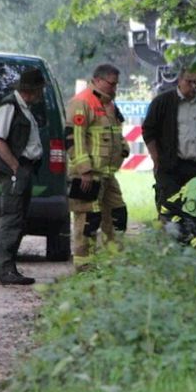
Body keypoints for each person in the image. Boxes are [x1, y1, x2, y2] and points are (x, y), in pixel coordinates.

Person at [66, 63, 128, 271]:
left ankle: (114, 263)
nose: (115, 88)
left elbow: (115, 132)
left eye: (116, 84)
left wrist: (124, 149)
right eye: (111, 84)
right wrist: (84, 169)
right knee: (87, 220)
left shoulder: (109, 104)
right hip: (88, 176)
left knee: (118, 214)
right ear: (99, 80)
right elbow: (74, 138)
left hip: (107, 175)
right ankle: (85, 267)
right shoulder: (82, 102)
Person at [0, 67, 46, 285]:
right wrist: (15, 167)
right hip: (15, 169)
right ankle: (4, 271)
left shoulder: (23, 107)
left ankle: (10, 268)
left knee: (18, 218)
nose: (41, 94)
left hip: (23, 168)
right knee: (12, 218)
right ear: (32, 91)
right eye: (39, 90)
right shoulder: (9, 106)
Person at [141, 67, 196, 216]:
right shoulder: (162, 102)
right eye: (190, 82)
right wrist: (156, 158)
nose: (194, 86)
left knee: (194, 207)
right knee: (169, 206)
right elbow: (148, 131)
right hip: (169, 165)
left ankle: (191, 234)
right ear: (180, 81)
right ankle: (169, 234)